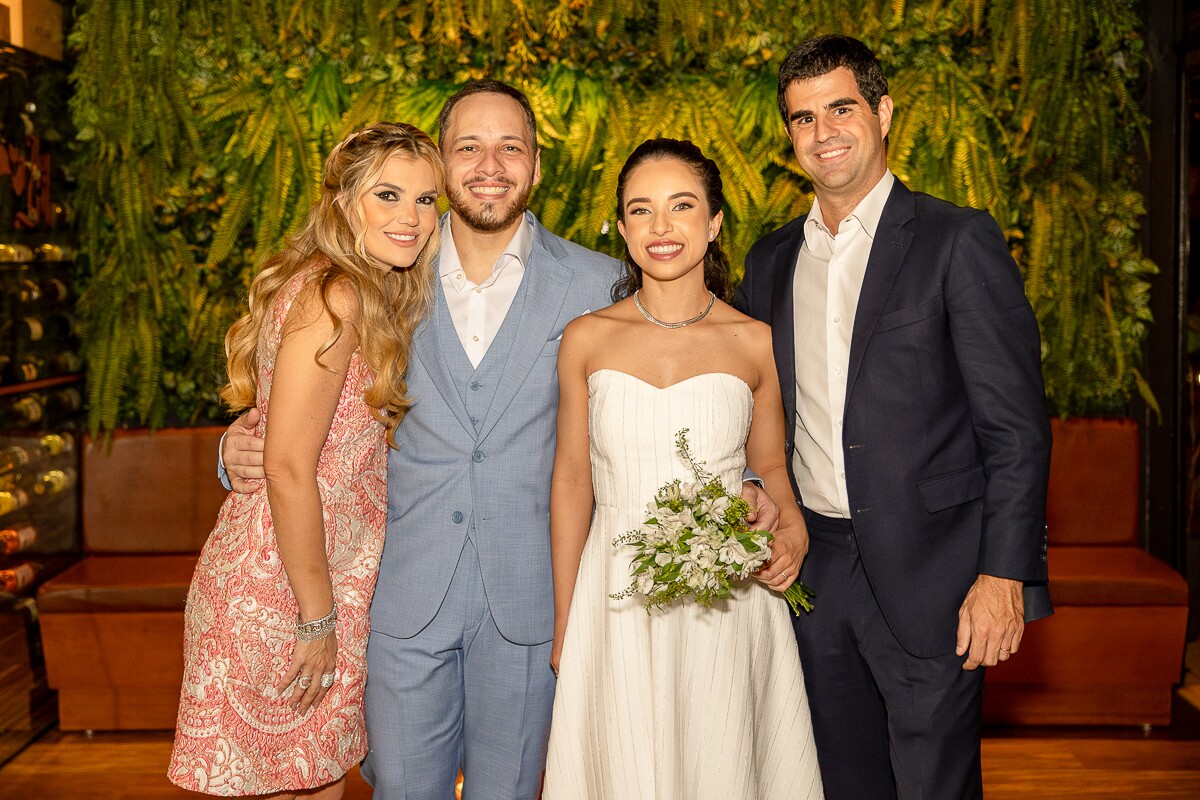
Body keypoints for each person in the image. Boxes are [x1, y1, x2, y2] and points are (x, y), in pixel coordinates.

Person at [734, 34, 1053, 800]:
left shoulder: (956, 240)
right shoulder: (771, 260)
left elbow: (1016, 428)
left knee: (932, 786)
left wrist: (1004, 575)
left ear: (882, 111)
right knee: (838, 783)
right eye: (803, 118)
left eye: (840, 108)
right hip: (815, 572)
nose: (823, 133)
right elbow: (758, 408)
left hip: (935, 574)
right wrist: (753, 489)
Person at [169, 122, 445, 798]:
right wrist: (318, 617)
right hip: (282, 593)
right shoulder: (336, 297)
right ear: (344, 203)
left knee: (315, 782)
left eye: (427, 200)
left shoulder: (352, 290)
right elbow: (290, 467)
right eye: (388, 195)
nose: (410, 217)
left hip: (311, 581)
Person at [542, 138, 824, 799]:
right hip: (614, 597)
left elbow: (771, 474)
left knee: (720, 762)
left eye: (681, 206)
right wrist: (566, 623)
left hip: (725, 600)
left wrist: (792, 532)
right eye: (640, 210)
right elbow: (571, 482)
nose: (660, 228)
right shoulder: (586, 338)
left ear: (715, 221)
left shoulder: (752, 341)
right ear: (620, 227)